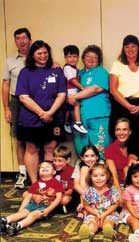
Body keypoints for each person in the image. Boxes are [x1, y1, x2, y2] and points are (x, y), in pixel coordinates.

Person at [15, 40, 66, 184]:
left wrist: (50, 113)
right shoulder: (25, 72)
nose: (43, 56)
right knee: (32, 148)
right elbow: (23, 97)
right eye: (39, 53)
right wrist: (42, 113)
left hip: (54, 116)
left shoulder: (56, 71)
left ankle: (49, 182)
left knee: (50, 147)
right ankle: (35, 183)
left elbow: (62, 94)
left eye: (45, 53)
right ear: (32, 55)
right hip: (30, 118)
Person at [68, 45, 111, 158]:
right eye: (88, 56)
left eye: (95, 57)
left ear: (99, 60)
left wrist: (74, 97)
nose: (91, 59)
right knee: (82, 150)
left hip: (98, 115)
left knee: (100, 149)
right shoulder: (79, 73)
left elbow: (96, 89)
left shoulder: (101, 71)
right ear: (82, 58)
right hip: (80, 119)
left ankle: (102, 174)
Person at [0, 160, 64, 236]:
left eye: (47, 167)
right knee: (22, 213)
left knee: (33, 215)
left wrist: (48, 210)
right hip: (33, 204)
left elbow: (58, 198)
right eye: (42, 167)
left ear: (54, 172)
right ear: (39, 172)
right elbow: (28, 197)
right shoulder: (36, 183)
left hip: (46, 206)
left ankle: (18, 226)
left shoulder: (56, 183)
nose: (44, 168)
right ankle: (5, 220)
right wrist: (21, 209)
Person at [2, 27, 31, 188]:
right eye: (18, 38)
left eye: (24, 38)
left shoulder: (37, 57)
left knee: (36, 139)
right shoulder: (10, 61)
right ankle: (22, 173)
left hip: (35, 101)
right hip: (16, 102)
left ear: (30, 40)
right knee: (19, 138)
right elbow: (5, 84)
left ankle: (41, 173)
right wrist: (7, 108)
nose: (21, 41)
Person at [109, 35, 139, 138]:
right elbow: (113, 90)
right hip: (121, 105)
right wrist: (128, 106)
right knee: (121, 138)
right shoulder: (117, 64)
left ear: (138, 48)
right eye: (127, 46)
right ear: (123, 49)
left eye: (133, 46)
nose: (130, 49)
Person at [77, 164, 120, 241]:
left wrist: (104, 214)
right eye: (95, 176)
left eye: (102, 175)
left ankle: (109, 234)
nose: (99, 179)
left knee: (108, 223)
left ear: (108, 176)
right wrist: (96, 213)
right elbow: (86, 205)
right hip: (94, 213)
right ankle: (88, 234)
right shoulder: (88, 191)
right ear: (90, 177)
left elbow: (115, 204)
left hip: (108, 213)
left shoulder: (112, 190)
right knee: (92, 223)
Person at [62, 44, 87, 134]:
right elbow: (72, 80)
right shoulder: (68, 68)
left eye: (74, 56)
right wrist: (82, 88)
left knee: (69, 109)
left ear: (78, 57)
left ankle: (67, 123)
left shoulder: (74, 68)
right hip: (69, 92)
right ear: (65, 58)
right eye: (69, 57)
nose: (72, 59)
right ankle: (78, 123)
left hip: (72, 92)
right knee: (76, 105)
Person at [72, 145, 103, 218]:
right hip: (83, 193)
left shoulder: (101, 163)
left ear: (97, 157)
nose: (90, 159)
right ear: (82, 158)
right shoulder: (79, 164)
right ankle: (86, 208)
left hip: (100, 191)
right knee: (84, 169)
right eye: (86, 156)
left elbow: (104, 182)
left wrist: (92, 168)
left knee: (95, 170)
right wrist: (87, 197)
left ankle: (89, 208)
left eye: (92, 156)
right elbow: (76, 185)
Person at [105, 118, 132, 192]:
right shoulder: (109, 149)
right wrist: (120, 192)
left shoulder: (135, 147)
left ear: (130, 132)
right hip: (116, 185)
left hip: (134, 185)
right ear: (115, 132)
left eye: (124, 129)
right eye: (118, 129)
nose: (121, 133)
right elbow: (114, 175)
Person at [52, 145, 75, 213]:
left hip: (66, 195)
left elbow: (69, 192)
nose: (56, 163)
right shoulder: (52, 168)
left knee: (64, 200)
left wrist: (55, 194)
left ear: (68, 160)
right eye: (54, 160)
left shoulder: (72, 171)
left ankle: (55, 207)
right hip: (53, 194)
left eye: (60, 161)